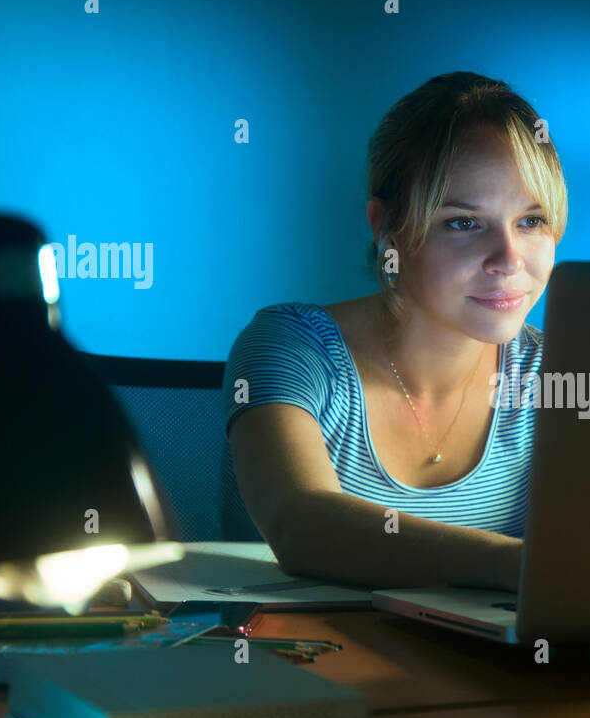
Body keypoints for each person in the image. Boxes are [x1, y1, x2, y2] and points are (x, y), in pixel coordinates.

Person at [223, 72, 568, 589]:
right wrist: (519, 565)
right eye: (464, 222)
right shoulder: (291, 347)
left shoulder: (556, 374)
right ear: (386, 226)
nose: (508, 259)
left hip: (495, 668)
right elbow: (300, 526)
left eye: (531, 220)